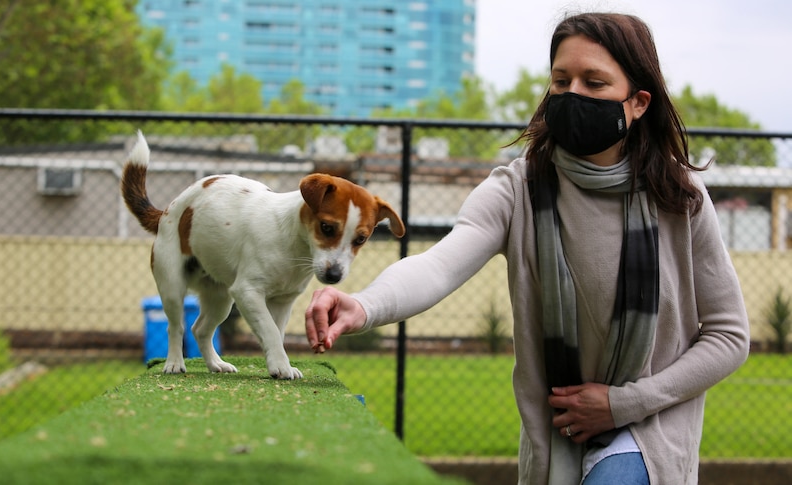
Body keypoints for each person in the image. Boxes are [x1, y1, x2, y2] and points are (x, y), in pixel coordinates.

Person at [305, 11, 750, 485]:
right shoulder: (517, 189)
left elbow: (729, 335)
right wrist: (364, 305)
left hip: (652, 428)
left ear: (638, 102)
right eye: (562, 80)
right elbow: (439, 264)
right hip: (559, 431)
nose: (573, 93)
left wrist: (624, 404)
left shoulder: (679, 197)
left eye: (594, 83)